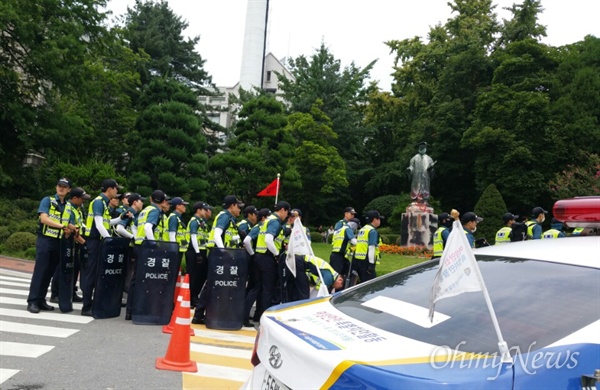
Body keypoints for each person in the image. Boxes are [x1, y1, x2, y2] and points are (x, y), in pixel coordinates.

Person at [192, 195, 243, 324]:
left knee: (215, 285)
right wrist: (223, 252)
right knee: (212, 285)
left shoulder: (229, 218)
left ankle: (204, 313)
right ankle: (199, 314)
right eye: (238, 207)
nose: (240, 210)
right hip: (219, 256)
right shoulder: (224, 216)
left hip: (220, 255)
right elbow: (217, 235)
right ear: (232, 206)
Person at [27, 178, 73, 313]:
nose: (62, 188)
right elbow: (44, 218)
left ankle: (41, 300)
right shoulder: (48, 200)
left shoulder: (68, 206)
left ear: (69, 190)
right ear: (56, 187)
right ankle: (32, 301)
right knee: (40, 271)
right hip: (45, 240)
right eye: (60, 186)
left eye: (65, 187)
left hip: (59, 242)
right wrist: (62, 226)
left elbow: (68, 222)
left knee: (49, 272)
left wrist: (73, 228)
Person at [81, 179, 125, 316]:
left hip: (100, 242)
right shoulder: (99, 202)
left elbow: (107, 222)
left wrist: (121, 218)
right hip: (95, 242)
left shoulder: (104, 204)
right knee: (91, 274)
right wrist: (109, 240)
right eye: (116, 189)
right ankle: (86, 307)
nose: (117, 192)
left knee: (97, 273)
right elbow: (99, 224)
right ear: (110, 189)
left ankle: (93, 303)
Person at [126, 190, 169, 320]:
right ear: (162, 201)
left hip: (139, 246)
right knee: (147, 279)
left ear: (151, 199)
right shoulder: (155, 211)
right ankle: (142, 309)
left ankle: (130, 310)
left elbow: (138, 227)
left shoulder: (145, 210)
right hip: (147, 248)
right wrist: (153, 246)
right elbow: (147, 228)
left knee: (136, 279)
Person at [248, 201, 289, 323]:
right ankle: (263, 317)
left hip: (259, 257)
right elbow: (268, 240)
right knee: (267, 290)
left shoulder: (267, 220)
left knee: (257, 288)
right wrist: (277, 255)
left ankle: (246, 315)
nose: (286, 216)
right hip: (267, 258)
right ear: (282, 210)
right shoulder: (274, 222)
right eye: (287, 212)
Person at [50, 187, 91, 304]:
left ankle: (71, 292)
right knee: (62, 268)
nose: (84, 201)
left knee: (74, 268)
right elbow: (69, 227)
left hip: (76, 243)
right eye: (82, 199)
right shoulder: (69, 208)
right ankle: (55, 293)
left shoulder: (77, 209)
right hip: (68, 242)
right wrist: (84, 242)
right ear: (74, 198)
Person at [242, 208, 271, 326]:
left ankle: (250, 315)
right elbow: (247, 240)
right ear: (263, 218)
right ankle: (244, 315)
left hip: (256, 259)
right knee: (255, 288)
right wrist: (252, 254)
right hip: (259, 260)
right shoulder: (259, 227)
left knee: (256, 288)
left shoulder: (261, 227)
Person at [185, 201, 213, 307]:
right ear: (198, 210)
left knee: (201, 275)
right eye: (204, 209)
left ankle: (195, 296)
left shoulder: (201, 221)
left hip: (201, 251)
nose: (206, 211)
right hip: (194, 251)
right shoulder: (194, 221)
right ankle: (191, 298)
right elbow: (193, 237)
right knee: (193, 276)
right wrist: (197, 253)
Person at [352, 210, 383, 284]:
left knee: (363, 283)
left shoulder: (362, 229)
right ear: (375, 220)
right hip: (367, 261)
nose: (380, 221)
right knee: (370, 285)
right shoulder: (372, 231)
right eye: (379, 219)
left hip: (358, 260)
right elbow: (371, 248)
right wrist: (371, 265)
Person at [329, 215, 357, 287]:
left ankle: (342, 288)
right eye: (356, 226)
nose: (356, 228)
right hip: (338, 256)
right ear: (353, 224)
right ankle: (331, 291)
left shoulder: (340, 229)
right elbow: (353, 241)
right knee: (336, 276)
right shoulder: (347, 229)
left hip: (337, 255)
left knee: (347, 272)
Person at [166, 197, 190, 269]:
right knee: (172, 271)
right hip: (174, 250)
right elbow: (172, 234)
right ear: (177, 206)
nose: (185, 207)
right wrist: (174, 250)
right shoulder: (174, 217)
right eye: (183, 205)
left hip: (178, 249)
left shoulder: (177, 217)